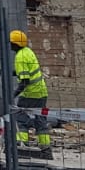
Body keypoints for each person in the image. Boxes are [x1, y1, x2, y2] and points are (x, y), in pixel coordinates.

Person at [10, 29, 52, 158]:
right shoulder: (28, 51)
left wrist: (13, 95)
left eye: (11, 42)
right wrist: (7, 72)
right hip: (41, 92)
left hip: (30, 93)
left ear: (15, 44)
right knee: (40, 120)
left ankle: (21, 146)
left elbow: (25, 81)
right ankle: (46, 150)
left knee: (20, 119)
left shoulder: (20, 57)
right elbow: (27, 72)